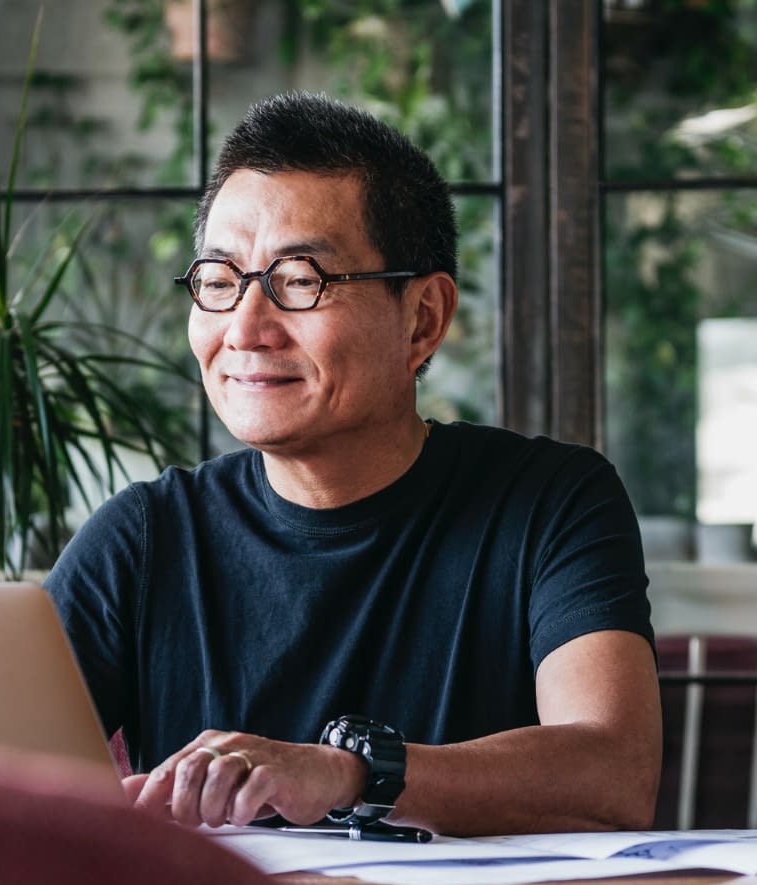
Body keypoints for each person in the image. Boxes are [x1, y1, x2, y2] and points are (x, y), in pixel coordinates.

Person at [44, 92, 660, 837]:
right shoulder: (141, 542)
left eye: (300, 280)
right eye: (218, 279)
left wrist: (345, 773)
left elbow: (612, 774)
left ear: (423, 319)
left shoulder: (548, 502)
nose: (245, 328)